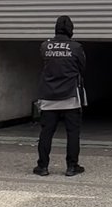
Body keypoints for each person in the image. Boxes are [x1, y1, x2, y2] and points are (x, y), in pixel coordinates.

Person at [34, 15, 86, 177]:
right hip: (71, 97)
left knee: (46, 132)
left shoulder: (45, 46)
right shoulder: (76, 47)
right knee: (72, 133)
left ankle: (42, 166)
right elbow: (82, 67)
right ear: (71, 29)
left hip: (48, 97)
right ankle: (72, 166)